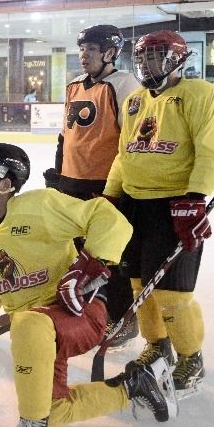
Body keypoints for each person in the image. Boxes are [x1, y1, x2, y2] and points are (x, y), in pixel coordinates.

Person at [0, 143, 178, 427]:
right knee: (52, 407)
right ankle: (136, 385)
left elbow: (108, 218)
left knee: (27, 326)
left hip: (79, 312)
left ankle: (31, 425)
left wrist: (90, 265)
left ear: (5, 183)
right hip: (37, 332)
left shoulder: (40, 206)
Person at [104, 30, 214, 400]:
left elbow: (210, 152)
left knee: (171, 292)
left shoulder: (200, 94)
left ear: (176, 58)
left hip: (174, 205)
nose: (147, 64)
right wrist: (111, 196)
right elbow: (125, 154)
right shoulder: (135, 101)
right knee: (140, 286)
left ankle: (191, 359)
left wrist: (194, 198)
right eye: (142, 57)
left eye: (155, 56)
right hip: (134, 205)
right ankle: (157, 346)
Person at [44, 25, 141, 348]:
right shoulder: (74, 85)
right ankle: (89, 307)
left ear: (110, 53)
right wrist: (58, 175)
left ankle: (123, 318)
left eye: (92, 49)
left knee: (109, 255)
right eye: (82, 49)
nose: (84, 55)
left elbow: (131, 141)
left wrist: (119, 188)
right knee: (77, 253)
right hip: (72, 182)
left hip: (105, 185)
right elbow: (65, 136)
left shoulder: (124, 84)